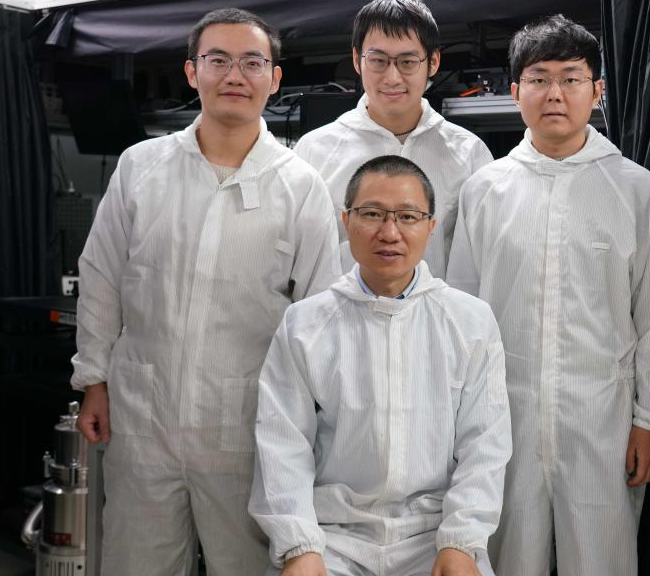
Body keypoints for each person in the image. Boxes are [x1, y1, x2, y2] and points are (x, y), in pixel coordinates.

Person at [71, 8, 340, 575]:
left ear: (275, 78)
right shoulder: (141, 168)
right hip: (141, 417)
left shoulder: (300, 187)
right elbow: (101, 275)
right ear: (192, 72)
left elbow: (319, 316)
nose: (234, 75)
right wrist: (92, 376)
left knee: (246, 566)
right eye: (217, 60)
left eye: (251, 62)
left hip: (248, 428)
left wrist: (310, 428)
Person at [447, 15, 650, 576]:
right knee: (506, 558)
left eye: (572, 78)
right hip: (502, 418)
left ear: (597, 90)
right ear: (515, 91)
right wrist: (458, 420)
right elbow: (460, 312)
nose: (554, 93)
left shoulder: (633, 188)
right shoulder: (485, 191)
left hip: (603, 418)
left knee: (602, 559)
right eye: (539, 78)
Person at [249, 155, 511, 576]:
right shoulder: (307, 323)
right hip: (333, 535)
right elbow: (283, 443)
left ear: (431, 224)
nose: (390, 232)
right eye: (372, 214)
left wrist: (462, 541)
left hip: (434, 533)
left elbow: (485, 443)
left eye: (407, 216)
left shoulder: (469, 321)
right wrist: (299, 545)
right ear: (346, 220)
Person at [293, 0, 493, 277]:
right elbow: (302, 261)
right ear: (356, 59)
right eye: (378, 61)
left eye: (408, 62)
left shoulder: (470, 153)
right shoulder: (314, 151)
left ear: (433, 61)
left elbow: (478, 263)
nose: (392, 77)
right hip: (342, 318)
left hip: (436, 318)